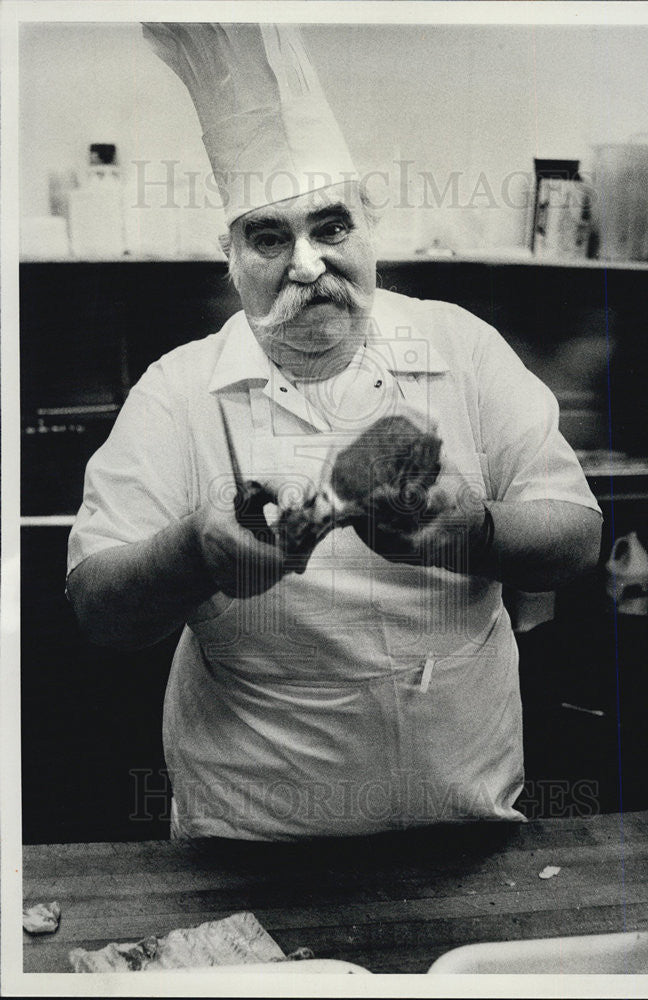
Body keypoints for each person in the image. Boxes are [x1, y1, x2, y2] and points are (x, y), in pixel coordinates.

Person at [66, 23, 602, 840]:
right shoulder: (179, 392)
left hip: (468, 823)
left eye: (332, 227)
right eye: (270, 237)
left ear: (370, 230)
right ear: (231, 256)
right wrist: (195, 553)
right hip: (248, 841)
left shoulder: (461, 348)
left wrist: (474, 530)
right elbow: (97, 610)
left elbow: (577, 537)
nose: (307, 265)